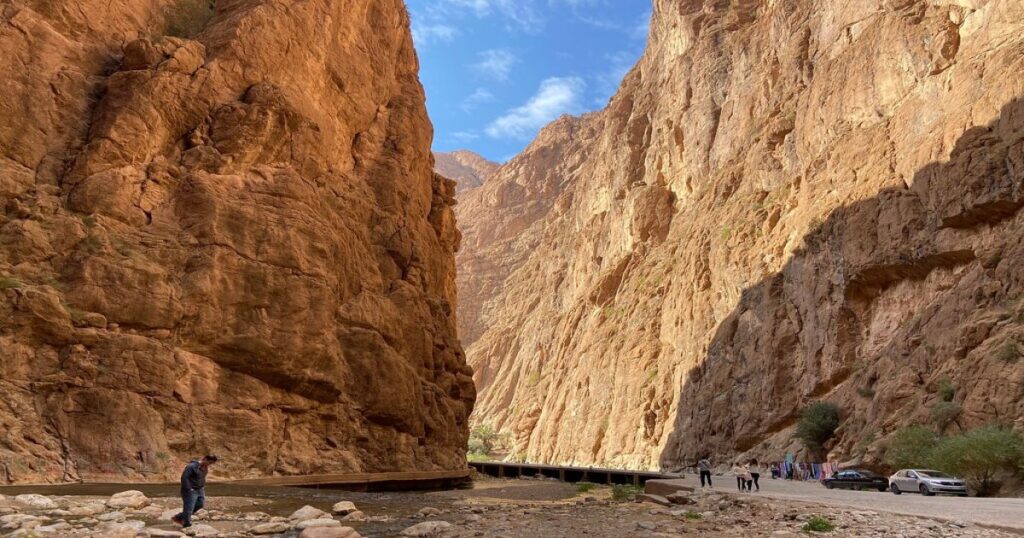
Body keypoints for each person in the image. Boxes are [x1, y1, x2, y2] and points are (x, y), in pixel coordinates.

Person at [172, 455, 218, 528]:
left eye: (211, 463)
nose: (209, 464)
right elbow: (184, 477)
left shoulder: (205, 467)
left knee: (200, 504)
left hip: (200, 489)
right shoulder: (191, 466)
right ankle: (187, 525)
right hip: (190, 490)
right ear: (205, 459)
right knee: (189, 508)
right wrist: (189, 488)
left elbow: (201, 477)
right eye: (209, 462)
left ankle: (178, 517)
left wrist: (202, 486)